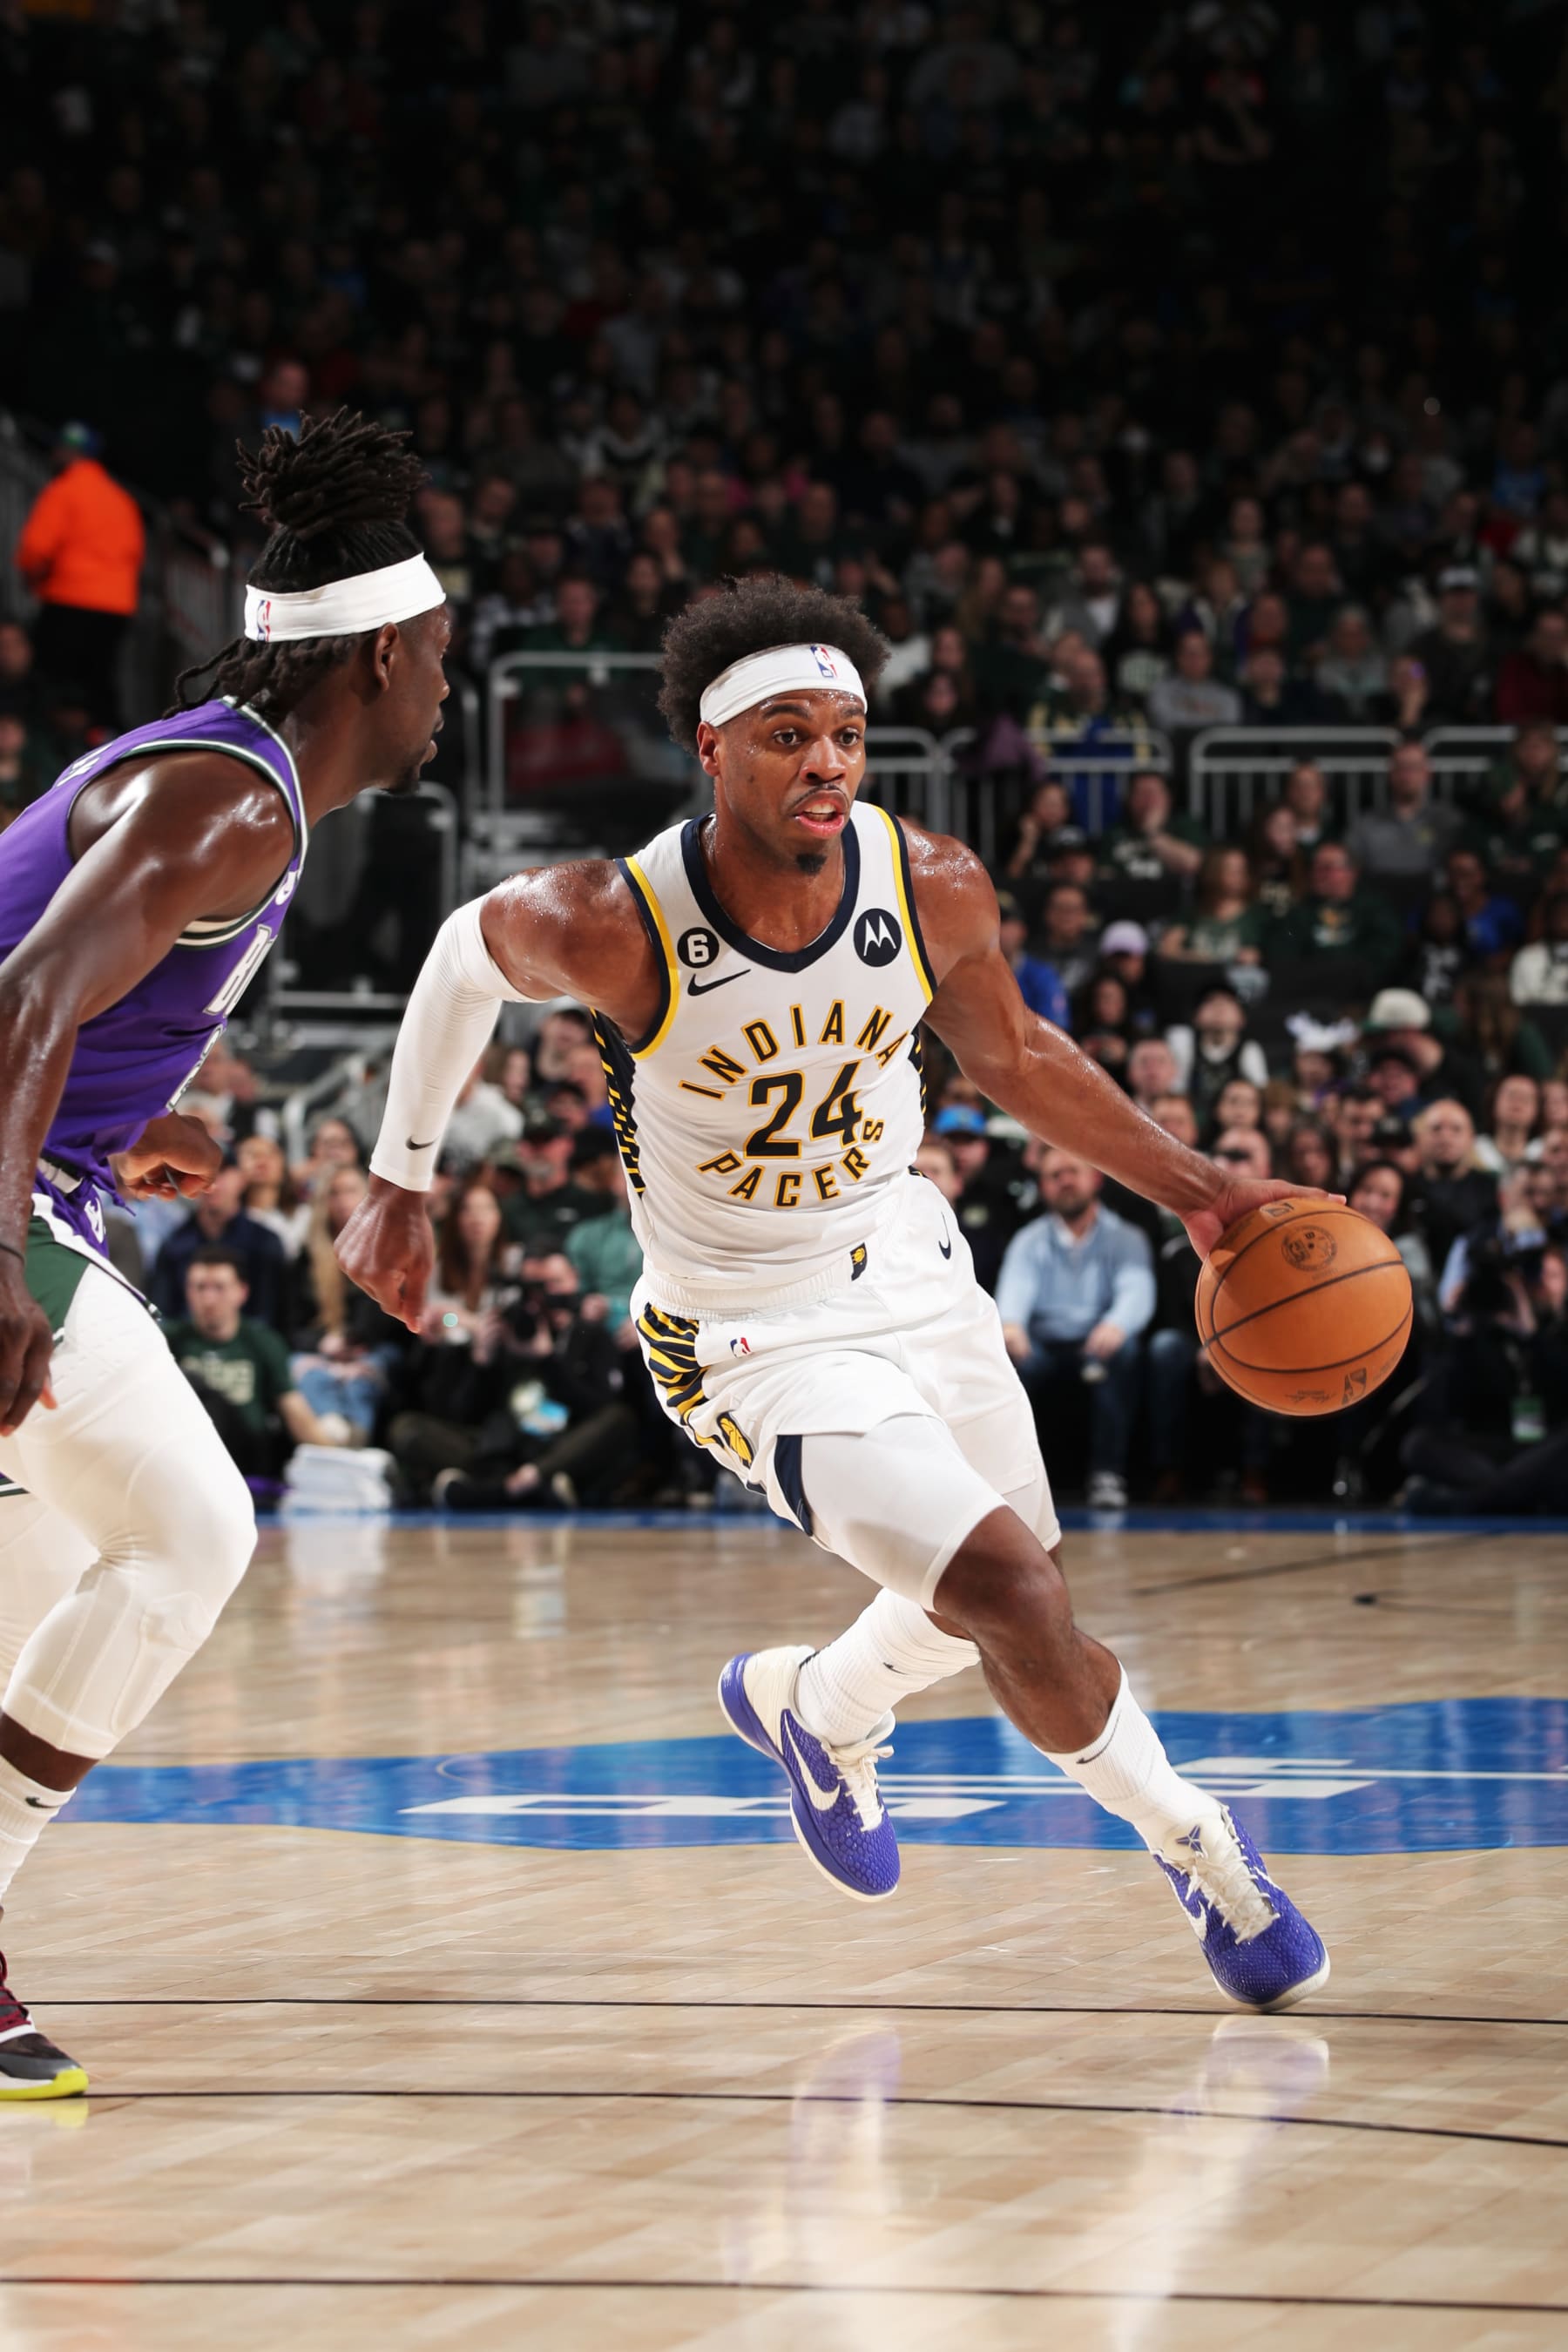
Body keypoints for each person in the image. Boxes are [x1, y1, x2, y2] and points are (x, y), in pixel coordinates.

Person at [341, 571, 1332, 2013]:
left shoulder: (929, 881)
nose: (825, 764)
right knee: (1013, 1588)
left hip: (912, 1266)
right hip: (747, 1331)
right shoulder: (614, 919)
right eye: (789, 735)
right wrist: (401, 1180)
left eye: (848, 736)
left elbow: (1017, 1057)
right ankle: (1199, 1847)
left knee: (1003, 1609)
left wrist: (1199, 1189)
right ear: (714, 748)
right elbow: (454, 959)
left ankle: (822, 1706)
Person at [0, 407, 449, 2093]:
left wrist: (125, 1128)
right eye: (444, 656)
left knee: (41, 1575)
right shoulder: (233, 806)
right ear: (389, 652)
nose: (448, 690)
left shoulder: (214, 772)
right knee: (194, 1531)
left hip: (50, 1171)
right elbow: (26, 998)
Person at [994, 1149, 1155, 1513]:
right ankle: (1019, 1481)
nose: (1065, 1180)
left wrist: (1117, 1324)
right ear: (1043, 1187)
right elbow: (1014, 1291)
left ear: (1095, 1179)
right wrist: (1012, 1325)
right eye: (1055, 1175)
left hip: (1099, 1341)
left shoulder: (1126, 1237)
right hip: (1044, 1344)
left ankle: (1107, 1474)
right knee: (1007, 1360)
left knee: (1124, 1352)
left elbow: (1137, 1293)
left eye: (1073, 1172)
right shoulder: (1029, 1240)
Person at [165, 1246, 346, 1476]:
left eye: (219, 1288)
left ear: (242, 1292)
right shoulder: (168, 1341)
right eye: (200, 1288)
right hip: (187, 1454)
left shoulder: (263, 1342)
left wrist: (341, 1460)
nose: (208, 1299)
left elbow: (295, 1412)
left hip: (246, 1455)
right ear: (187, 1291)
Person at [13, 423, 145, 730]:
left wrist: (32, 581)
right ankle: (108, 749)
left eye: (60, 448)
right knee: (98, 684)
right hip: (116, 606)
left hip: (69, 599)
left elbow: (35, 549)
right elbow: (135, 553)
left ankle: (48, 753)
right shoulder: (121, 499)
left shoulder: (62, 490)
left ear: (69, 453)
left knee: (48, 684)